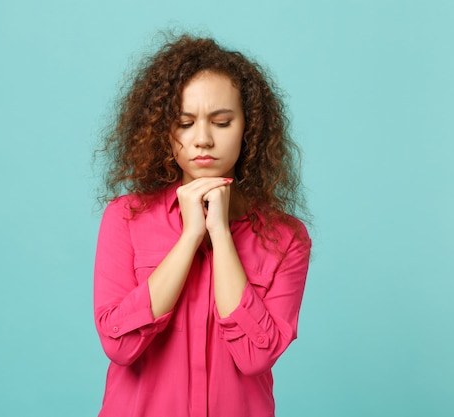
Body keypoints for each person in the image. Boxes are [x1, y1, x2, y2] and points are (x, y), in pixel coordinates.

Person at [94, 33, 312, 417]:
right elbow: (120, 345)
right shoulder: (125, 218)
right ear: (166, 130)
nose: (203, 140)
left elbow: (256, 356)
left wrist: (220, 233)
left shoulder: (286, 238)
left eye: (222, 122)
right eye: (185, 122)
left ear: (249, 129)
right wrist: (190, 236)